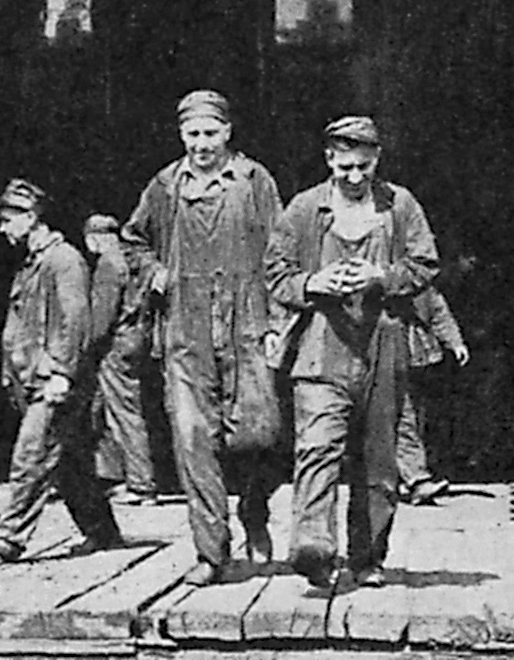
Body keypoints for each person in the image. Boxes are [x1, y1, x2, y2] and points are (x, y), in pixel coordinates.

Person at [264, 116, 439, 589]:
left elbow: (424, 263)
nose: (355, 177)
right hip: (323, 343)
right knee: (317, 445)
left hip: (384, 340)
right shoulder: (304, 210)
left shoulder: (399, 206)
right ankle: (314, 547)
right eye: (345, 167)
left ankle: (368, 558)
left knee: (379, 460)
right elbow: (275, 274)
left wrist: (381, 277)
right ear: (328, 160)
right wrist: (312, 283)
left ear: (377, 158)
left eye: (364, 166)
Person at [122, 90, 284, 586]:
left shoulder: (254, 180)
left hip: (247, 322)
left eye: (210, 133)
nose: (201, 144)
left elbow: (281, 252)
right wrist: (153, 270)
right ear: (181, 136)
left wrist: (277, 321)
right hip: (186, 329)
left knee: (260, 433)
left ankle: (254, 507)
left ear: (228, 132)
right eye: (192, 134)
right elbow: (133, 237)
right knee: (193, 439)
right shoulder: (167, 184)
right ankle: (211, 553)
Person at [0, 179, 122, 562]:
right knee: (70, 462)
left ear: (31, 218)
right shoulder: (32, 263)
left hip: (55, 382)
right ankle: (103, 531)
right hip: (33, 379)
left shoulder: (64, 260)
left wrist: (62, 372)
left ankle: (10, 534)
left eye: (8, 219)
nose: (2, 228)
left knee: (32, 452)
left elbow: (76, 320)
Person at [84, 213, 159, 507]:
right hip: (136, 338)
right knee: (103, 408)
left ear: (96, 237)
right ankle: (110, 477)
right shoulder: (132, 260)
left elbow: (102, 317)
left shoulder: (107, 264)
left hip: (116, 345)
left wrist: (86, 345)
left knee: (124, 412)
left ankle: (141, 485)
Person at [398, 286, 469, 505]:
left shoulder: (422, 287)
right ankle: (416, 479)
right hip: (385, 358)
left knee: (415, 418)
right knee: (403, 418)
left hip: (417, 358)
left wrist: (455, 343)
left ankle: (409, 479)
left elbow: (439, 312)